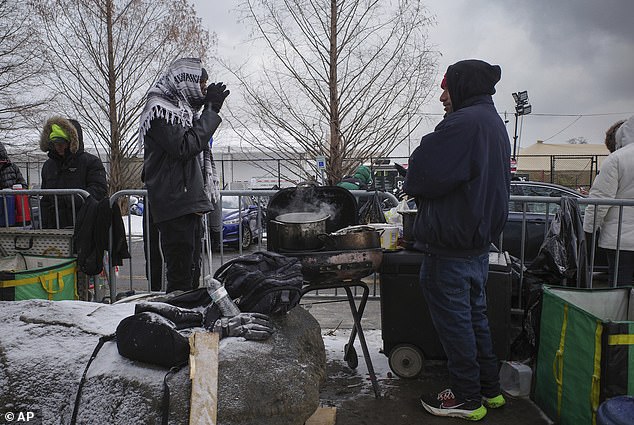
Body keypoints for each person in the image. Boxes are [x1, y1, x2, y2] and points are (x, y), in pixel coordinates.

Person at [403, 59, 510, 421]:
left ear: (463, 86)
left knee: (457, 326)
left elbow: (420, 175)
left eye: (447, 86)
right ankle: (489, 389)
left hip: (450, 249)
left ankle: (466, 397)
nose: (442, 95)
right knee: (475, 319)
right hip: (476, 247)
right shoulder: (492, 122)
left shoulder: (463, 124)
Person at [140, 57, 229, 294]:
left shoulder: (183, 112)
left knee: (190, 272)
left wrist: (207, 113)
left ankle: (186, 319)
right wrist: (210, 112)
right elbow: (185, 146)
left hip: (186, 202)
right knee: (179, 276)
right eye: (201, 84)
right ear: (186, 81)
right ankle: (175, 323)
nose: (203, 90)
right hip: (174, 203)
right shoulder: (160, 109)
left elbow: (193, 143)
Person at [583, 116, 634, 286]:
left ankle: (619, 313)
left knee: (619, 288)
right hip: (622, 238)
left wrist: (588, 232)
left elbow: (600, 200)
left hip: (621, 241)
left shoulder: (617, 159)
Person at [39, 117, 108, 229]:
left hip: (84, 224)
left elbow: (98, 190)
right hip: (54, 225)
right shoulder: (48, 166)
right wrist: (44, 224)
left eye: (62, 143)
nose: (58, 147)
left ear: (72, 142)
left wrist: (69, 199)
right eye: (55, 143)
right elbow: (45, 197)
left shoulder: (91, 162)